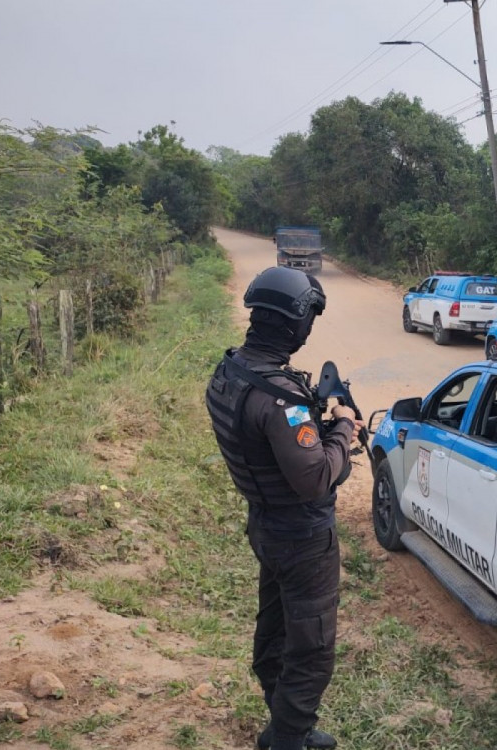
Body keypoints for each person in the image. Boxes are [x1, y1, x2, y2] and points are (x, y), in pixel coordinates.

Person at [205, 266, 359, 750]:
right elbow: (315, 477)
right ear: (296, 324)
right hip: (302, 536)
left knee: (274, 632)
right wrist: (342, 427)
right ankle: (289, 737)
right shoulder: (280, 398)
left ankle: (286, 726)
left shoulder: (231, 371)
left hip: (265, 525)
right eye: (308, 319)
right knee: (311, 648)